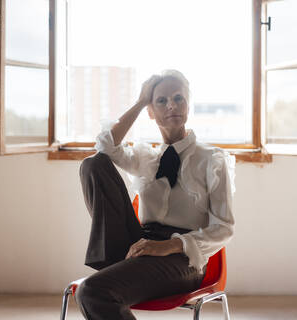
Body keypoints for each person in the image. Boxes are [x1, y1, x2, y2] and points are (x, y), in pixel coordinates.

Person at [76, 70, 235, 320]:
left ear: (188, 105)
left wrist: (168, 246)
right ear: (151, 112)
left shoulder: (211, 159)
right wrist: (141, 101)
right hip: (139, 244)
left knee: (92, 291)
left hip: (182, 258)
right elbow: (105, 145)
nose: (172, 105)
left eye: (178, 98)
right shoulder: (146, 157)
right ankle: (112, 262)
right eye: (161, 100)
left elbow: (224, 228)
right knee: (93, 164)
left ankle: (113, 275)